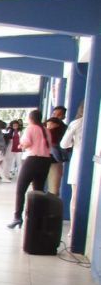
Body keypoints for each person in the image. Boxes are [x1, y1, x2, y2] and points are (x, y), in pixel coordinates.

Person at [8, 109, 51, 229]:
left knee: (20, 189)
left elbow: (26, 143)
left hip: (32, 159)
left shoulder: (30, 128)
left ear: (30, 118)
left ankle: (17, 217)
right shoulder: (46, 130)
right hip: (45, 161)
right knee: (38, 190)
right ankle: (36, 218)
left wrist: (21, 145)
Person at [60, 102, 84, 246]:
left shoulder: (76, 123)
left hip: (77, 162)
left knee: (75, 197)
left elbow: (64, 144)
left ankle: (74, 229)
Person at [46, 116, 67, 196]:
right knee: (54, 187)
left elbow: (54, 147)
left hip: (53, 162)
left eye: (50, 124)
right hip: (54, 162)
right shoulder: (60, 133)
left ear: (56, 125)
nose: (48, 126)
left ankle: (51, 205)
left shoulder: (53, 134)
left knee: (53, 187)